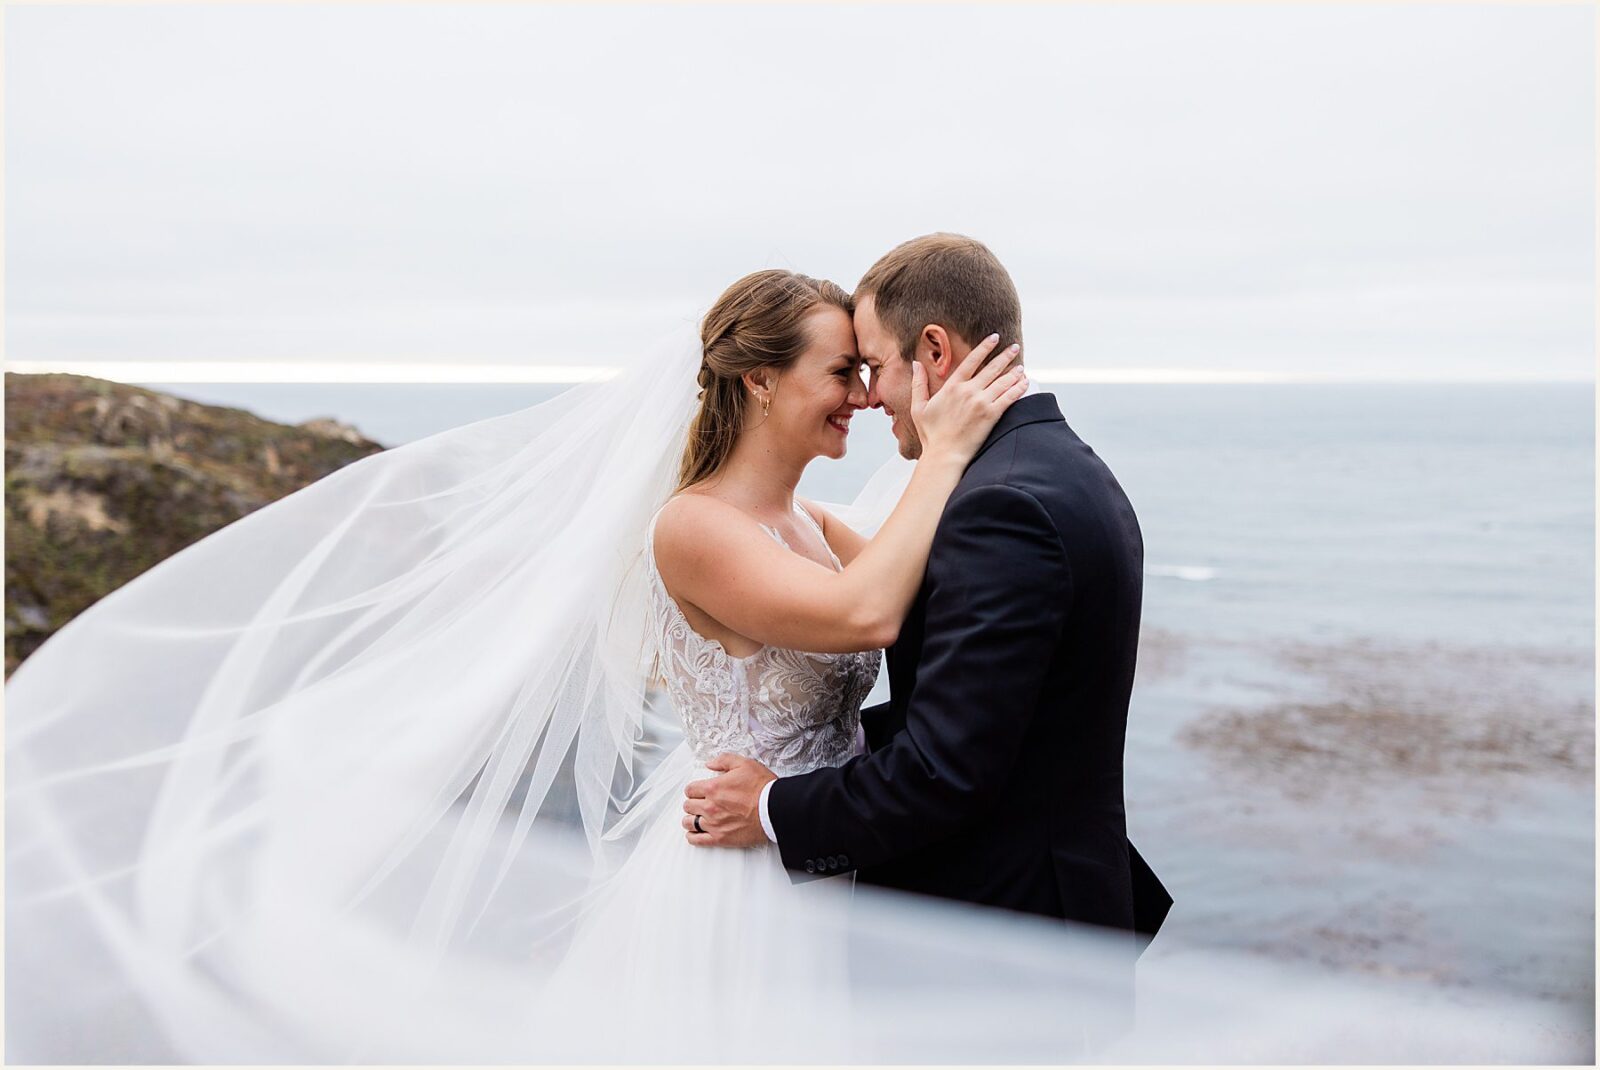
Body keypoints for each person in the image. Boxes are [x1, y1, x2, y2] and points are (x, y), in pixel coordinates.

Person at [683, 234, 1173, 948]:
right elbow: (985, 701)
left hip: (1000, 931)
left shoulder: (1002, 503)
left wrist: (772, 806)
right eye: (847, 371)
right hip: (1032, 915)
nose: (869, 394)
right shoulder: (1060, 469)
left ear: (935, 352)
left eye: (873, 366)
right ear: (760, 380)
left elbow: (943, 768)